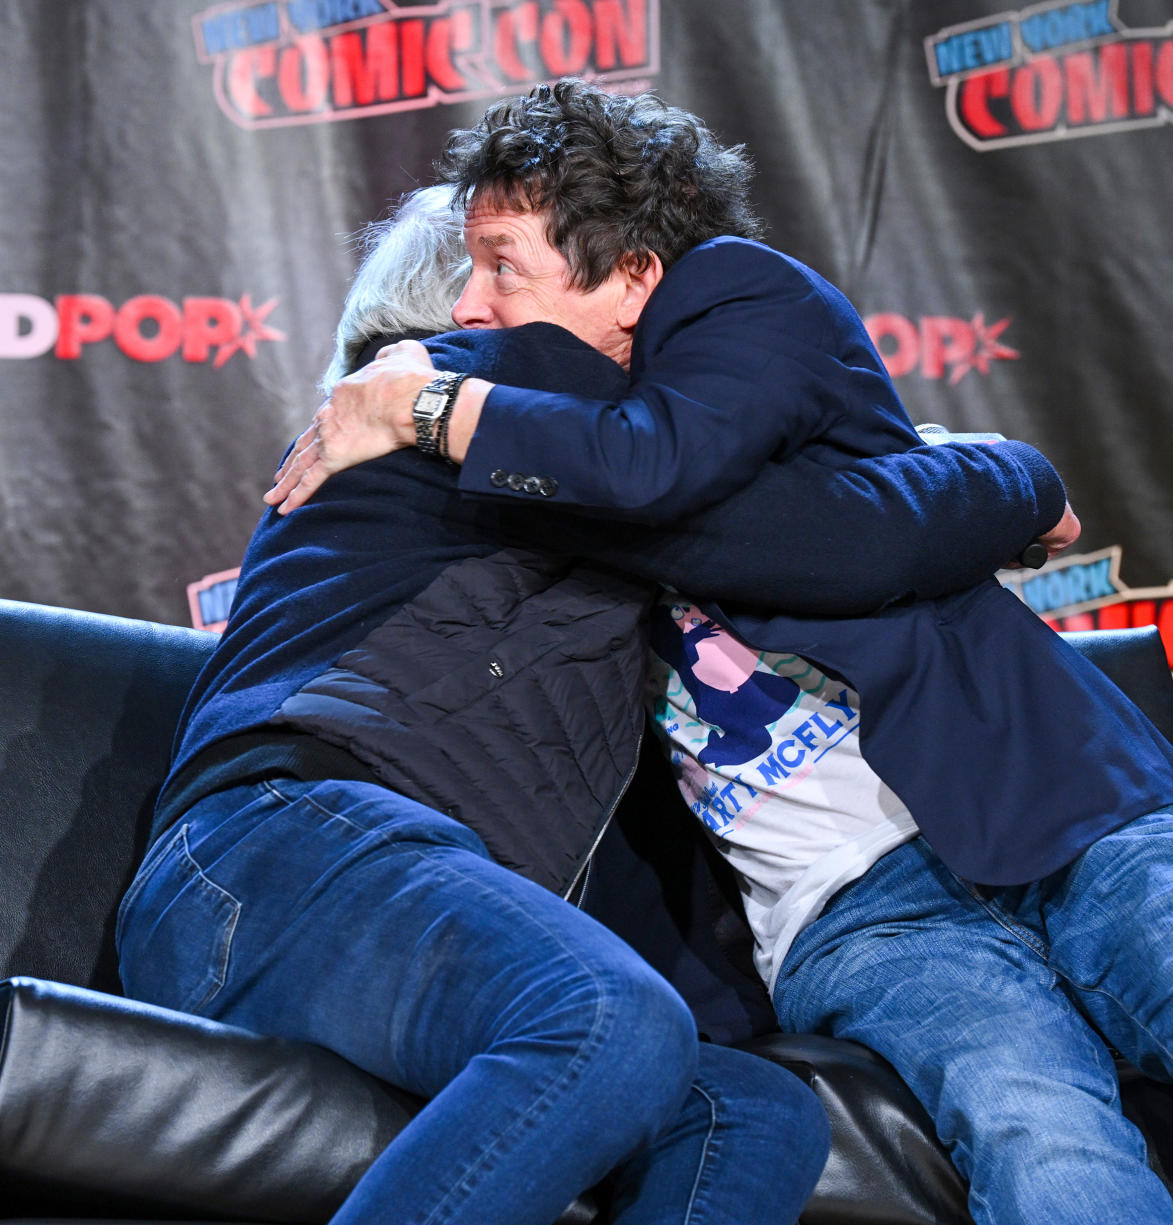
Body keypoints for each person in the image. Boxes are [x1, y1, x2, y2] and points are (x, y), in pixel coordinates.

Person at [269, 79, 1173, 1225]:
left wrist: (430, 405)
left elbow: (790, 525)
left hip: (1055, 796)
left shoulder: (728, 316)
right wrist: (999, 479)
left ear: (633, 271)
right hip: (856, 910)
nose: (473, 317)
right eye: (460, 288)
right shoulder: (524, 483)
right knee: (1044, 1145)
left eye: (503, 266)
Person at [116, 178, 1061, 1225]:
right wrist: (1020, 480)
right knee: (605, 1018)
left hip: (362, 900)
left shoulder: (532, 454)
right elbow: (847, 535)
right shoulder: (490, 385)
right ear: (480, 306)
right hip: (279, 857)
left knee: (751, 1114)